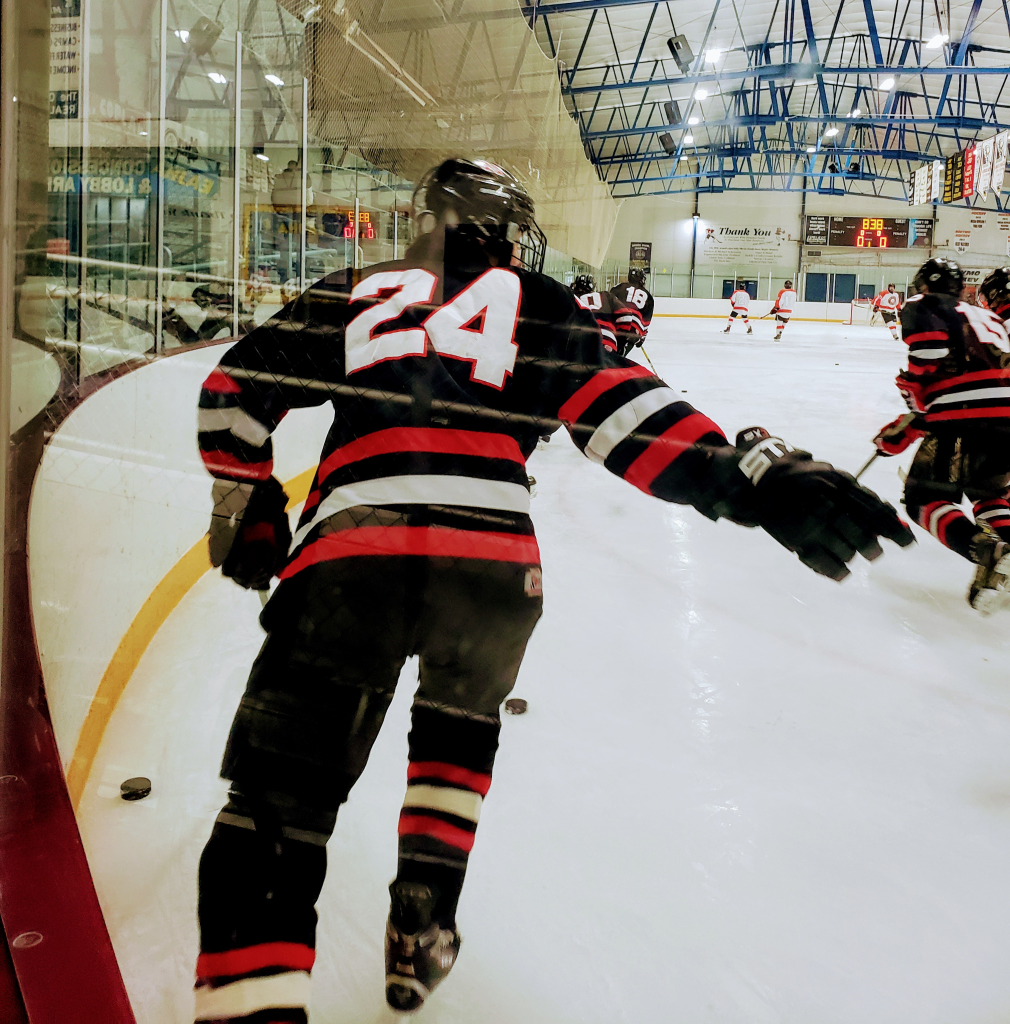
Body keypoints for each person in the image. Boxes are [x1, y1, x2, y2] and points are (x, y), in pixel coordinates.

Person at [194, 156, 912, 1024]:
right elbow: (628, 421)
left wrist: (251, 500)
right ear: (506, 234)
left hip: (353, 555)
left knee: (276, 808)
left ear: (425, 219)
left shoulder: (355, 288)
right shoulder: (539, 302)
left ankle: (254, 1003)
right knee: (456, 734)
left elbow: (230, 398)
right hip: (495, 570)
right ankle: (425, 914)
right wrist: (749, 480)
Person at [872, 257, 1010, 611]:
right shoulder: (989, 318)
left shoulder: (925, 303)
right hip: (1006, 418)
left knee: (922, 498)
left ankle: (987, 550)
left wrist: (914, 385)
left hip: (965, 418)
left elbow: (930, 351)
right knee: (988, 494)